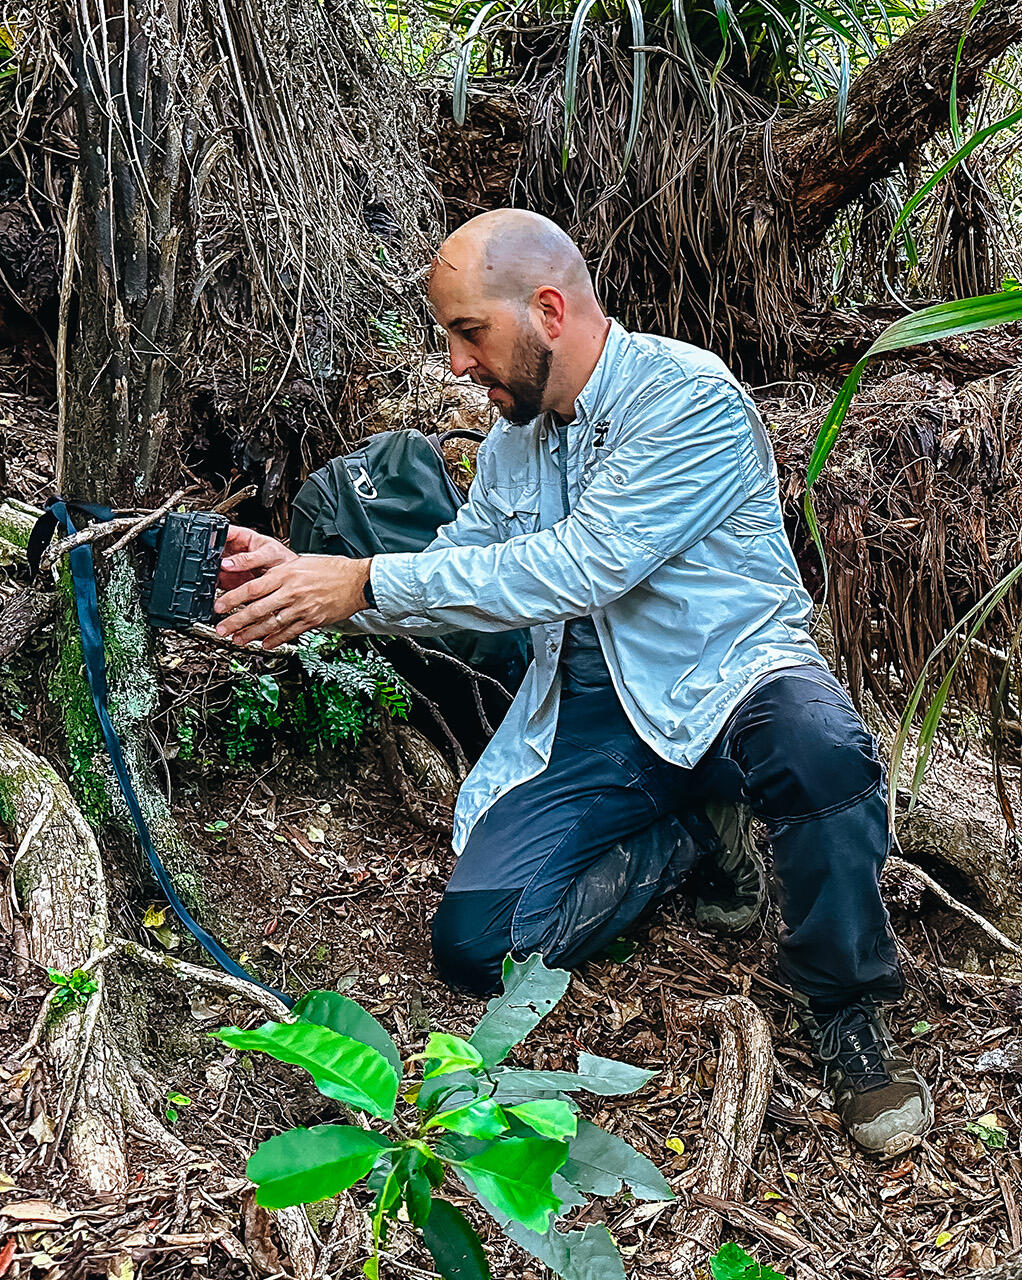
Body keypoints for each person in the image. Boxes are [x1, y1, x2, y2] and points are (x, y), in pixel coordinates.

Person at [212, 208, 931, 1154]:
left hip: (731, 687)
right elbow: (464, 568)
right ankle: (685, 842)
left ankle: (846, 1009)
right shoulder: (516, 444)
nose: (459, 364)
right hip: (594, 723)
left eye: (470, 333)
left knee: (822, 747)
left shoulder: (685, 398)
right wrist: (310, 589)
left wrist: (363, 579)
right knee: (478, 944)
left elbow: (585, 564)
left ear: (548, 308)